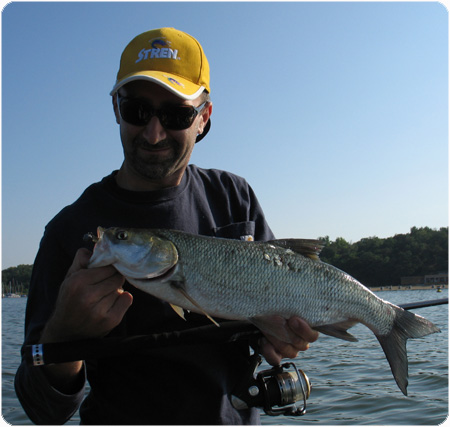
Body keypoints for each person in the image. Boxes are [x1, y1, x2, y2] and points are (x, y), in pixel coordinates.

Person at [15, 27, 318, 425]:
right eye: (137, 111)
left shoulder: (234, 197)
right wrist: (64, 337)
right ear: (115, 109)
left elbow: (271, 320)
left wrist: (278, 338)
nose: (154, 133)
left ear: (203, 118)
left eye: (176, 114)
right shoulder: (70, 231)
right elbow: (41, 412)